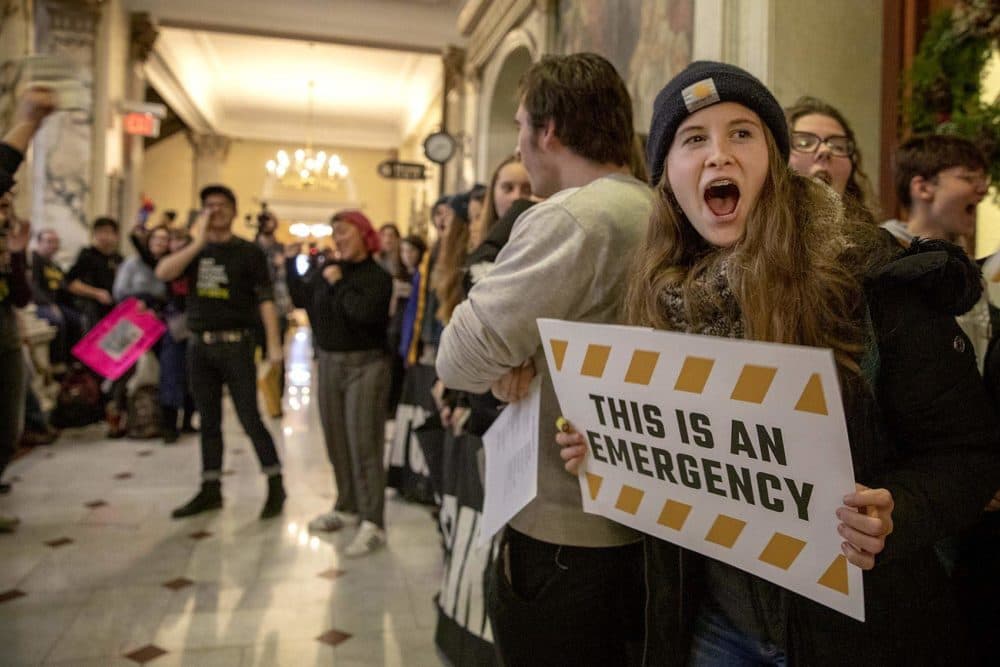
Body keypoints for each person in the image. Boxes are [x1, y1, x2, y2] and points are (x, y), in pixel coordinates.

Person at [556, 61, 1000, 666]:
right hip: (716, 629)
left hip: (859, 634)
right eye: (694, 140)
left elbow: (968, 456)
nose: (719, 156)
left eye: (742, 133)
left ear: (775, 157)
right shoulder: (658, 297)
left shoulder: (867, 280)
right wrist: (610, 447)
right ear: (667, 177)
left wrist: (899, 510)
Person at [436, 52, 654, 666]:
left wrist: (506, 359)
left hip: (566, 527)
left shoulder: (570, 219)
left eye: (520, 125)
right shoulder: (655, 207)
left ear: (548, 130)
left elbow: (456, 359)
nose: (521, 146)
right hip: (639, 522)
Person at [155, 184, 286, 520]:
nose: (217, 211)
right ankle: (210, 488)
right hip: (200, 345)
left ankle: (275, 484)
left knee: (249, 416)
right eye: (210, 205)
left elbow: (266, 300)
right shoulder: (192, 249)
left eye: (223, 205)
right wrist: (197, 242)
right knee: (208, 419)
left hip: (237, 344)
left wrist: (273, 345)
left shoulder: (248, 252)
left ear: (233, 209)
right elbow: (164, 272)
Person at [289, 211, 393, 556]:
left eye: (345, 232)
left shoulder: (376, 276)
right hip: (330, 363)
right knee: (336, 439)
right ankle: (347, 506)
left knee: (364, 442)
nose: (339, 239)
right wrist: (292, 265)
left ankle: (373, 520)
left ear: (364, 235)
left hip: (366, 365)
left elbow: (363, 313)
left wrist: (337, 283)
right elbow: (303, 300)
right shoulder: (329, 269)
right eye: (335, 233)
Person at [882, 135, 992, 370]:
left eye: (983, 179)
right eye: (968, 178)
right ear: (922, 188)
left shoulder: (973, 271)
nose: (983, 189)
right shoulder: (887, 263)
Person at [0, 85, 55, 533]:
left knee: (8, 427)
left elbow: (20, 297)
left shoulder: (7, 242)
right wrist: (29, 120)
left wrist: (15, 253)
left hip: (4, 327)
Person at [785, 96, 877, 221]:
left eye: (838, 147)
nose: (825, 150)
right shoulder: (755, 237)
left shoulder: (874, 239)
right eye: (804, 143)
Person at [159, 228, 197, 443]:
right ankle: (169, 426)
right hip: (171, 327)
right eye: (174, 240)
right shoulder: (165, 264)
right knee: (171, 375)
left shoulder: (196, 264)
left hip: (192, 324)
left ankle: (188, 420)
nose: (178, 245)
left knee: (192, 375)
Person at [30, 227, 83, 368]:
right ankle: (56, 363)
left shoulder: (54, 265)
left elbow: (65, 286)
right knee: (56, 320)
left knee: (77, 319)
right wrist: (49, 304)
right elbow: (32, 287)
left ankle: (72, 361)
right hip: (39, 304)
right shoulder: (33, 261)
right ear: (39, 242)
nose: (53, 245)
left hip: (56, 304)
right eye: (49, 241)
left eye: (55, 242)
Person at [67, 217, 123, 329]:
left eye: (108, 232)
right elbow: (70, 283)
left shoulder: (119, 258)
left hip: (115, 310)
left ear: (116, 236)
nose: (104, 236)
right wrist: (96, 293)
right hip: (91, 309)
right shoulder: (87, 255)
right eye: (100, 232)